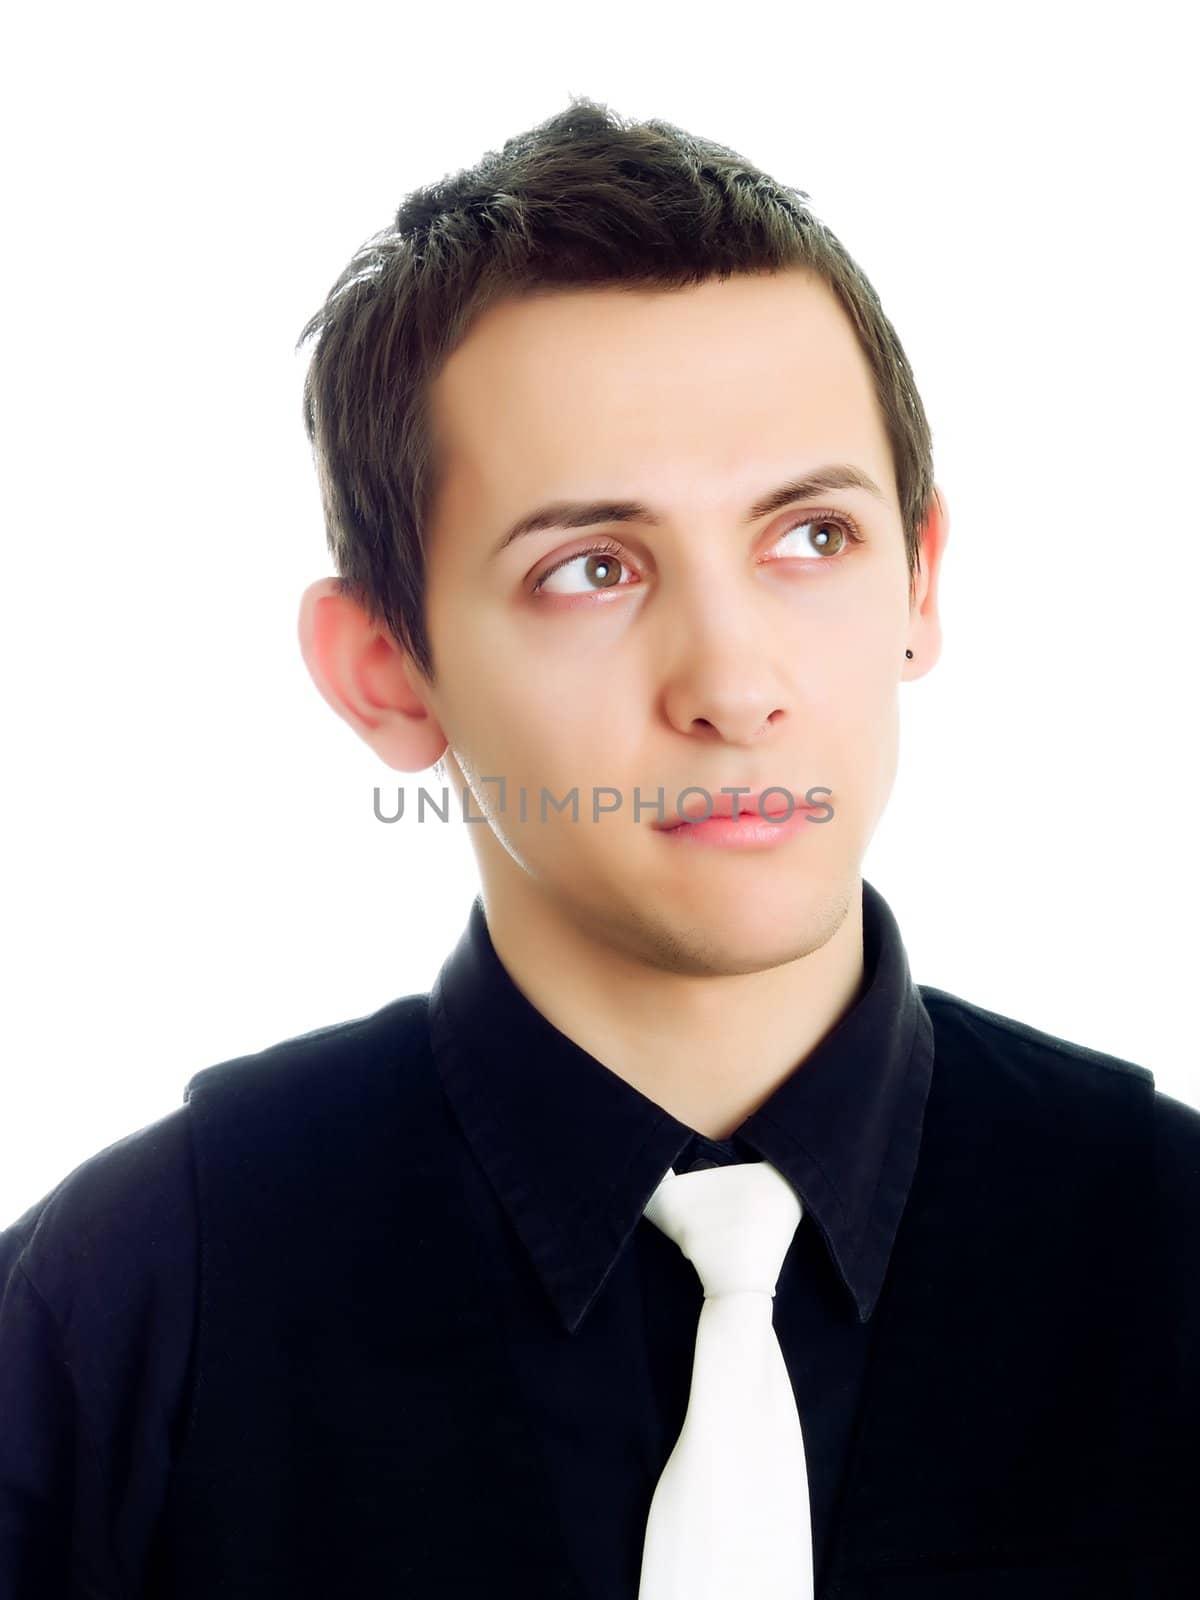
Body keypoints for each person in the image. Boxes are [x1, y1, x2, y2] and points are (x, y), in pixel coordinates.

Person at [2, 96, 1197, 1599]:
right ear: (385, 670)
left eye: (812, 536)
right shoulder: (129, 1309)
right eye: (590, 568)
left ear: (922, 579)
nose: (734, 683)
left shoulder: (1173, 1253)